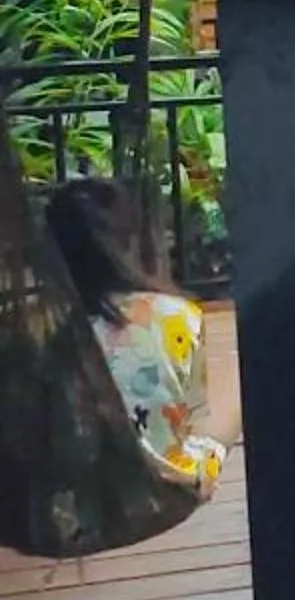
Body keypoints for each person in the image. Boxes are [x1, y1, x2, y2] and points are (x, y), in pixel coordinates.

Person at [42, 178, 231, 495]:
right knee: (230, 385)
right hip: (171, 487)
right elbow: (194, 410)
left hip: (81, 495)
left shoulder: (48, 331)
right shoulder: (179, 314)